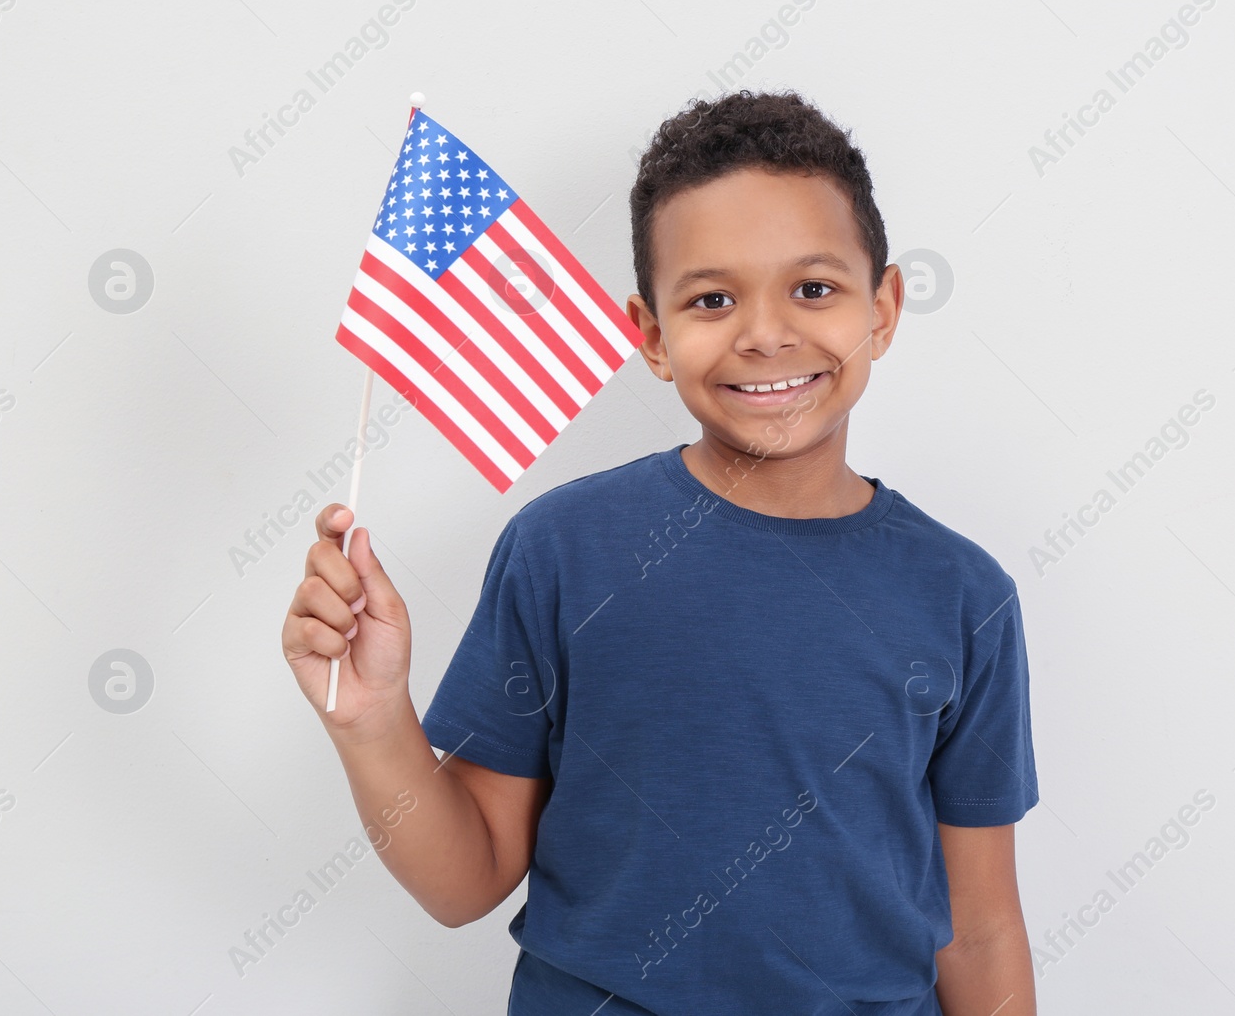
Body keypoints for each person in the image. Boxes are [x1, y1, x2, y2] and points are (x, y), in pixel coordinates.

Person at [281, 89, 1040, 1015]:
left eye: (814, 288)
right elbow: (464, 878)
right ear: (650, 334)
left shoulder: (964, 595)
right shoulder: (561, 549)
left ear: (881, 307)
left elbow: (984, 927)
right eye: (713, 298)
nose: (765, 333)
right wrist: (370, 720)